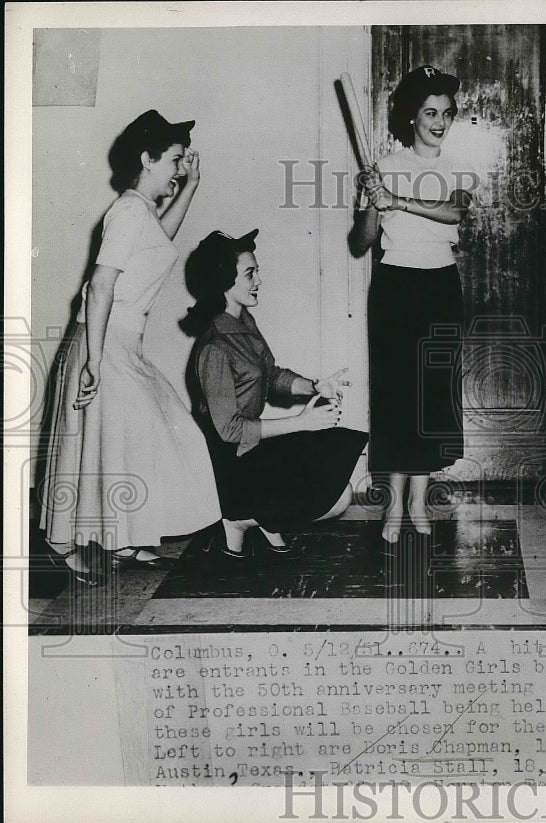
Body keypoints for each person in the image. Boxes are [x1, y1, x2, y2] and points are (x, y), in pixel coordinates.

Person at [40, 110, 222, 586]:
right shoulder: (127, 212)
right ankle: (63, 548)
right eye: (176, 160)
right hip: (103, 343)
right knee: (109, 443)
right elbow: (100, 286)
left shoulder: (139, 212)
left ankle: (121, 539)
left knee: (138, 441)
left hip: (120, 344)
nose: (180, 168)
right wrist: (94, 361)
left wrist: (191, 185)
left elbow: (160, 241)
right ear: (148, 158)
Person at [185, 230, 368, 557]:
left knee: (339, 459)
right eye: (250, 273)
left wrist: (314, 385)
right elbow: (229, 430)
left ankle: (264, 517)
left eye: (257, 271)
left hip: (252, 449)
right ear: (224, 280)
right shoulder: (215, 346)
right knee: (338, 496)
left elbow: (271, 375)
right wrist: (301, 423)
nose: (259, 280)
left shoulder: (243, 322)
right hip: (233, 462)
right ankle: (240, 518)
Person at [349, 65, 472, 543]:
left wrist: (398, 201)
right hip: (395, 285)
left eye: (446, 113)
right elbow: (362, 242)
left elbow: (454, 211)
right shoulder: (384, 167)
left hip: (440, 286)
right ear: (412, 117)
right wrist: (372, 201)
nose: (439, 122)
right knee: (397, 394)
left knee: (430, 395)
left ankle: (419, 501)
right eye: (430, 112)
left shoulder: (457, 168)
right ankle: (394, 506)